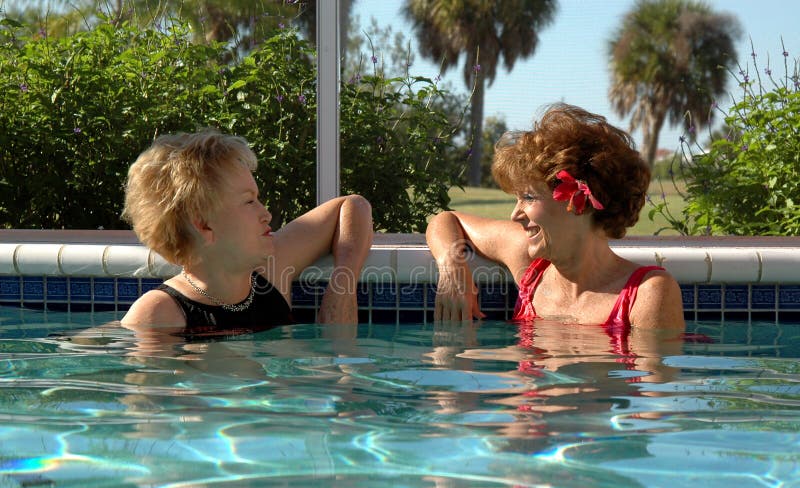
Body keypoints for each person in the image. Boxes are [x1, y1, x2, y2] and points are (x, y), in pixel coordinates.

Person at [426, 103, 685, 331]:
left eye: (528, 198)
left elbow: (650, 385)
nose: (515, 215)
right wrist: (452, 268)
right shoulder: (530, 265)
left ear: (578, 201)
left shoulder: (647, 293)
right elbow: (447, 220)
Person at [120, 130, 373, 333]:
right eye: (249, 201)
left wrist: (341, 290)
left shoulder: (270, 274)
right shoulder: (159, 314)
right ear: (204, 225)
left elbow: (353, 206)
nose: (266, 214)